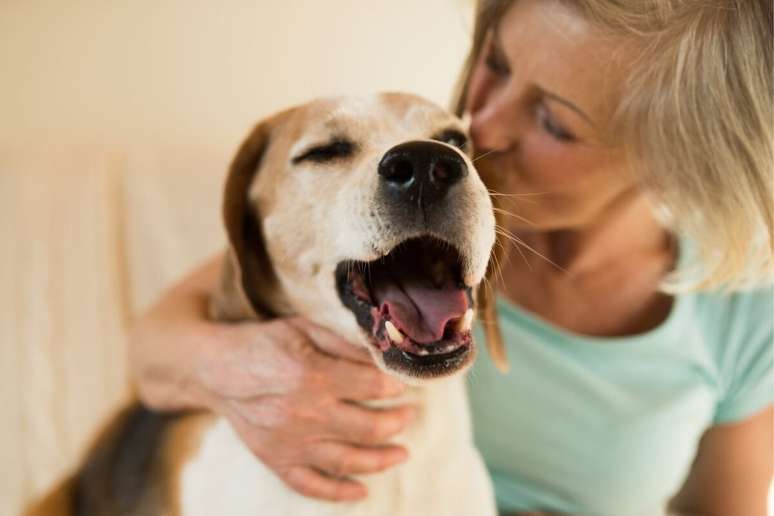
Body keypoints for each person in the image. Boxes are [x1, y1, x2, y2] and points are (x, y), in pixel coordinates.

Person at [128, 1, 773, 514]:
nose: (481, 129)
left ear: (676, 161)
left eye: (553, 120)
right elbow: (157, 353)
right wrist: (249, 376)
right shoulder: (406, 199)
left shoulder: (745, 312)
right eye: (495, 61)